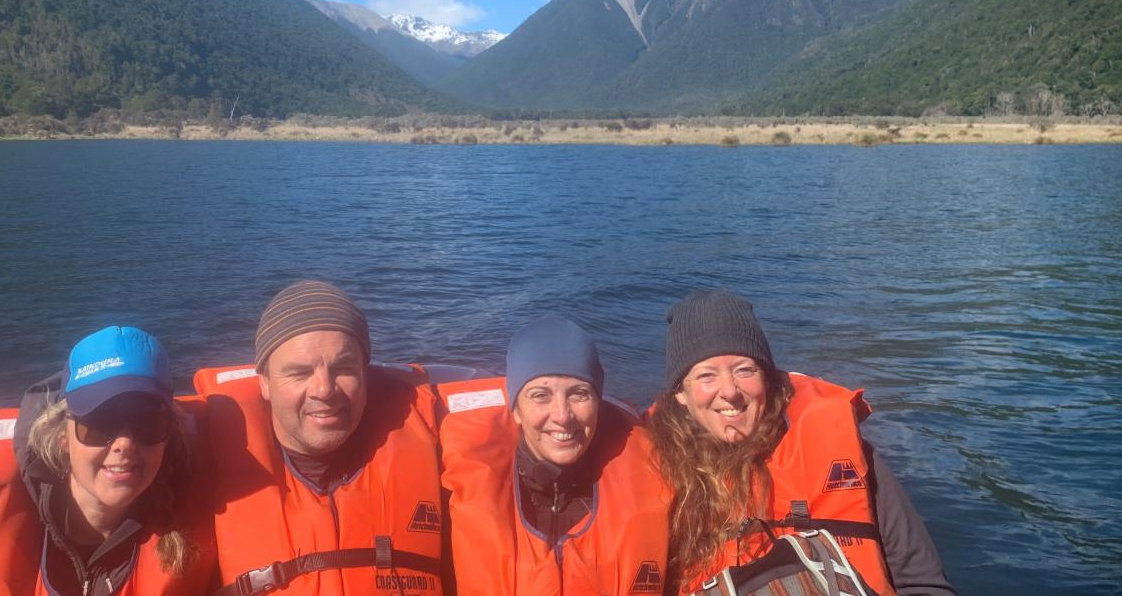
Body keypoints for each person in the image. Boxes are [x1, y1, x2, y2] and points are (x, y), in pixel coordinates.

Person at [648, 291, 955, 595]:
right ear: (680, 394)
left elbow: (924, 583)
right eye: (706, 375)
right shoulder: (654, 474)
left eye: (745, 370)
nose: (730, 390)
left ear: (766, 378)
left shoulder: (848, 457)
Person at [0, 325, 214, 595]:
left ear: (168, 435)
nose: (125, 444)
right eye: (100, 422)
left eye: (148, 423)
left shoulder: (207, 531)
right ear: (63, 437)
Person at [195, 280, 446, 595]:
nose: (324, 390)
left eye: (344, 368)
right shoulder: (201, 472)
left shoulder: (440, 453)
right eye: (299, 373)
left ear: (365, 375)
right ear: (265, 383)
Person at [436, 316, 671, 595]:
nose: (562, 415)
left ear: (598, 402)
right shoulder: (450, 487)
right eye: (540, 395)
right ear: (516, 410)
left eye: (579, 394)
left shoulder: (657, 474)